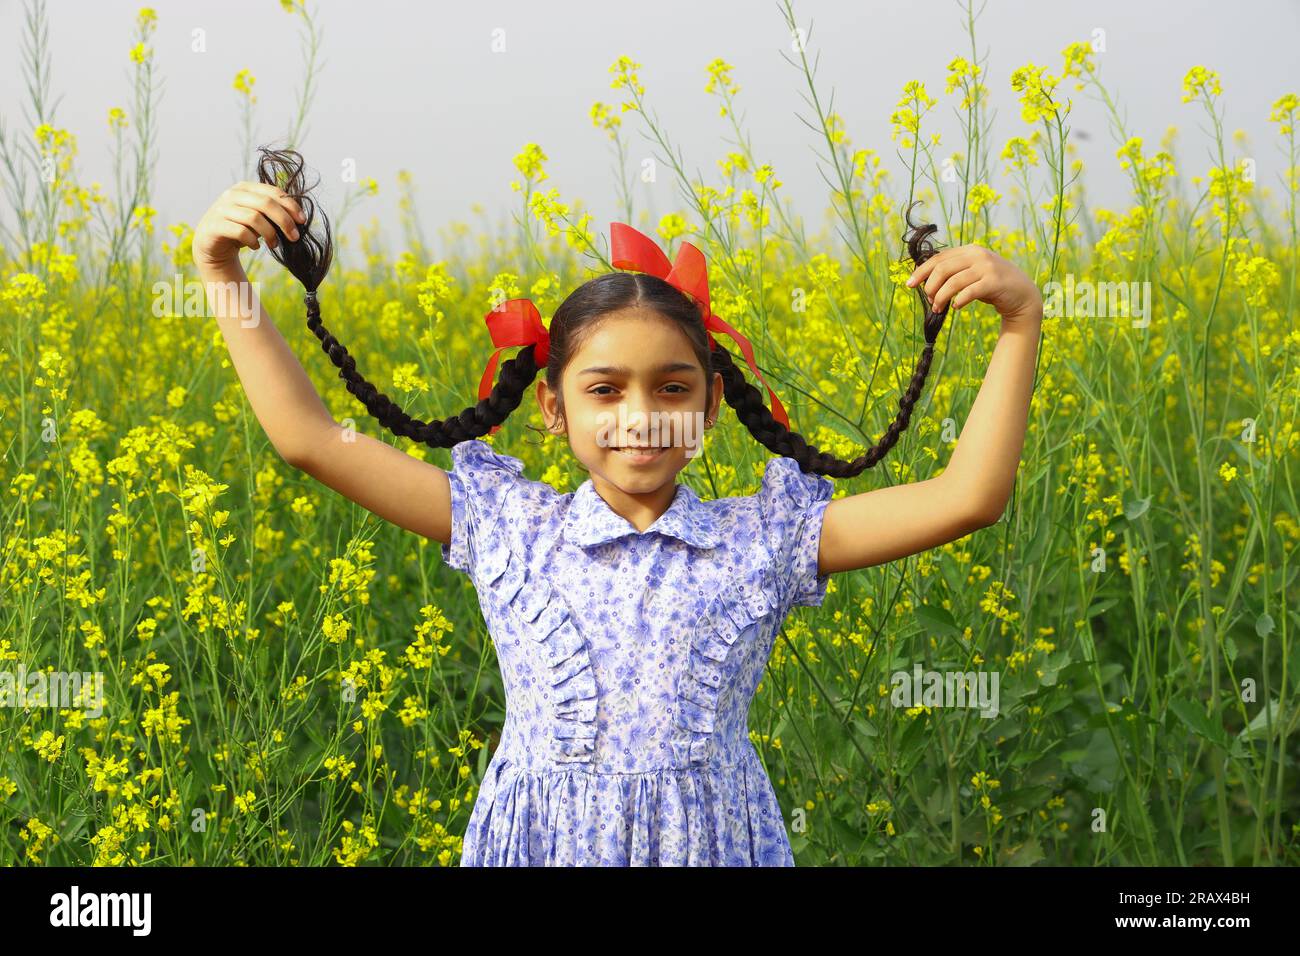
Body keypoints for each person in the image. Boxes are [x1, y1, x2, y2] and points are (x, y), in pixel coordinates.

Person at [192, 147, 1044, 866]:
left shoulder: (762, 539)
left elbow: (968, 499)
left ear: (712, 407)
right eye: (605, 389)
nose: (640, 414)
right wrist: (220, 269)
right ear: (554, 410)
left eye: (672, 387)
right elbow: (307, 437)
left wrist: (1020, 322)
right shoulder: (509, 528)